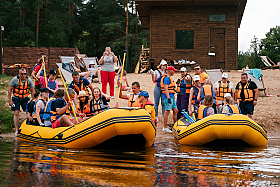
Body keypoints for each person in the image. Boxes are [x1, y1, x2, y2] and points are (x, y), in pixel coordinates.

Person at [8, 68, 35, 135]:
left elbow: (32, 90)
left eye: (25, 74)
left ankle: (29, 127)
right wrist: (10, 101)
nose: (23, 75)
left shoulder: (29, 80)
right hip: (16, 98)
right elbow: (9, 90)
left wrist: (33, 100)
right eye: (22, 74)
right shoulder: (15, 80)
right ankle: (16, 130)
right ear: (19, 74)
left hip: (25, 98)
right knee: (16, 112)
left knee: (29, 112)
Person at [161, 66, 178, 133]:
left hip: (171, 96)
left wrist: (172, 97)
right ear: (170, 71)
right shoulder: (167, 78)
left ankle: (175, 124)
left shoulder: (169, 78)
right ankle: (165, 127)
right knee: (167, 111)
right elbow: (165, 88)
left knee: (175, 110)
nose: (174, 72)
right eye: (173, 71)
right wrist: (168, 98)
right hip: (168, 97)